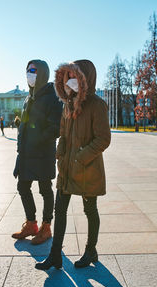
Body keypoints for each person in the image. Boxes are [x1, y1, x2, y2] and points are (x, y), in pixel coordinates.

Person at [35, 59, 111, 270]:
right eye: (67, 77)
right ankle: (54, 255)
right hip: (67, 168)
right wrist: (61, 154)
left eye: (74, 76)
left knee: (90, 210)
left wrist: (80, 156)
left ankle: (90, 250)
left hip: (88, 169)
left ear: (85, 78)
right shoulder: (67, 104)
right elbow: (63, 133)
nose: (70, 81)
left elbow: (103, 138)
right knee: (60, 209)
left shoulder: (97, 105)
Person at [12, 59, 63, 245]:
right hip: (26, 154)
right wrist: (22, 132)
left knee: (45, 189)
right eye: (27, 70)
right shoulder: (28, 98)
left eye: (32, 70)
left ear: (41, 73)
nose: (29, 74)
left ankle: (46, 227)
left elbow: (56, 128)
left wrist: (36, 138)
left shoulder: (53, 97)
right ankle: (31, 224)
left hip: (42, 153)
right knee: (22, 187)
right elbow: (26, 126)